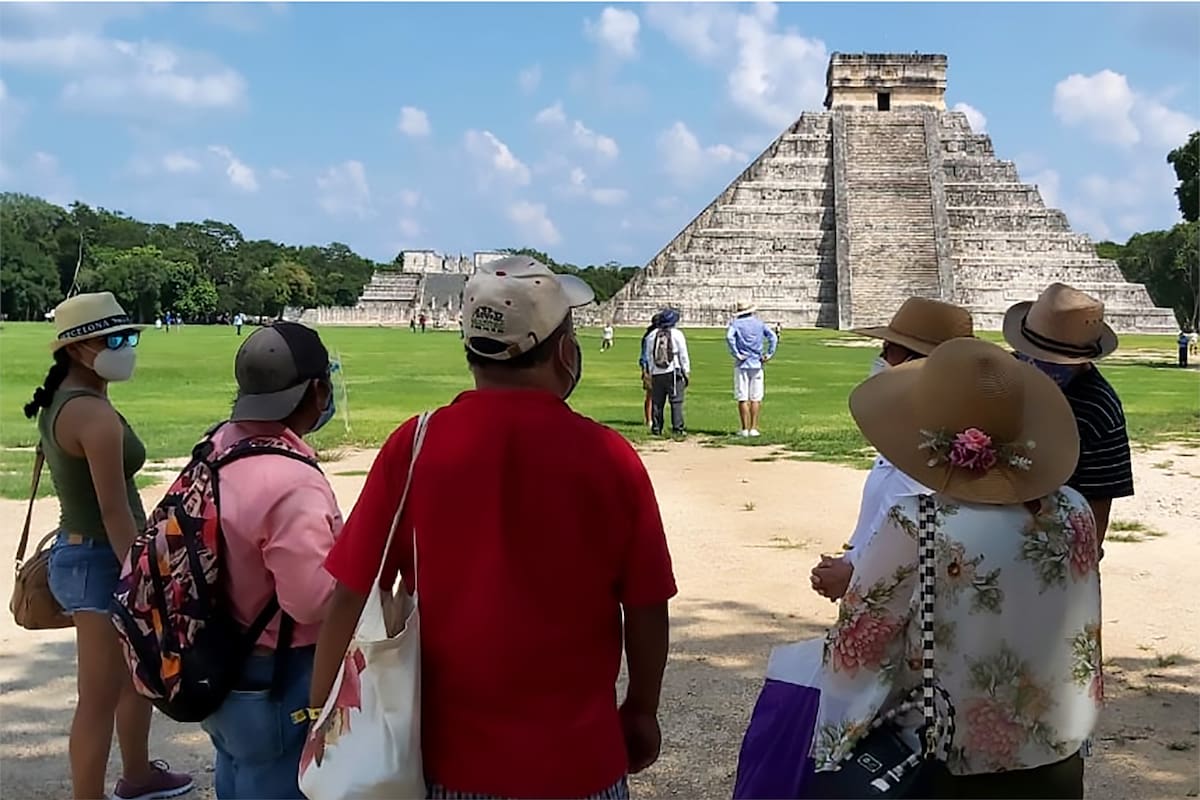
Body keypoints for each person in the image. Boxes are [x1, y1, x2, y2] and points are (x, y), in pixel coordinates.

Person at [312, 255, 677, 799]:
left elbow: (349, 593)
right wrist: (642, 708)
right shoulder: (608, 456)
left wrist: (320, 717)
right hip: (579, 763)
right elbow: (646, 605)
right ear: (564, 351)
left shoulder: (415, 445)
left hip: (448, 762)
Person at [808, 337, 1101, 798]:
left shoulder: (917, 521)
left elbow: (860, 650)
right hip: (1054, 748)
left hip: (943, 760)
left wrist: (838, 732)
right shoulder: (1074, 511)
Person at [23, 292, 193, 800]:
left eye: (129, 336)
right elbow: (114, 509)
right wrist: (141, 577)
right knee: (97, 699)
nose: (126, 348)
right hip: (100, 558)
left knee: (134, 678)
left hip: (86, 554)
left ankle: (138, 775)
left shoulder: (71, 399)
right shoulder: (91, 415)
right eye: (113, 340)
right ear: (78, 349)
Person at [198, 322, 344, 799]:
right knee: (276, 779)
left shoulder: (217, 445)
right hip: (276, 671)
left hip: (217, 654)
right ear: (317, 392)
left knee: (235, 770)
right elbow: (310, 601)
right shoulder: (292, 482)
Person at [810, 297, 974, 601]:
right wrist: (850, 561)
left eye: (889, 350)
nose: (881, 358)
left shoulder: (940, 442)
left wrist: (853, 570)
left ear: (918, 363)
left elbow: (907, 521)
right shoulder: (912, 427)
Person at [1002, 283, 1133, 548]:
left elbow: (1098, 500)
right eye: (1032, 354)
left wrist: (1087, 556)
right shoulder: (1001, 375)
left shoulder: (1099, 408)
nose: (1037, 363)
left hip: (1048, 538)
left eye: (1055, 360)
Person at [725, 301, 778, 437]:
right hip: (757, 363)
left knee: (742, 397)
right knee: (756, 397)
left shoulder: (736, 324)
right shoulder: (759, 324)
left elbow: (729, 337)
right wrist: (769, 353)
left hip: (742, 363)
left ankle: (744, 429)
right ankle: (753, 428)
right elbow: (773, 337)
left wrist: (736, 353)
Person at [642, 308, 690, 437]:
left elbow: (649, 356)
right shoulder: (677, 334)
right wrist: (686, 371)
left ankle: (656, 428)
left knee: (657, 402)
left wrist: (651, 372)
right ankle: (678, 428)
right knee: (676, 402)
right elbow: (683, 355)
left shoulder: (652, 335)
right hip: (673, 370)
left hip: (656, 372)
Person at [638, 312, 663, 427]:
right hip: (650, 368)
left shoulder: (652, 335)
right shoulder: (649, 336)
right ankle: (649, 419)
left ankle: (653, 417)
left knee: (654, 395)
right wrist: (645, 369)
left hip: (656, 367)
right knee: (651, 395)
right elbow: (644, 355)